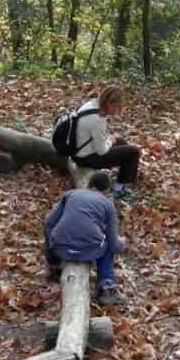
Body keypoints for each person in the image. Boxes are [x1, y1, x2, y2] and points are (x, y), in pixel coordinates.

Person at [44, 171, 125, 306]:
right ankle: (106, 286)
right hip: (88, 251)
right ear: (105, 190)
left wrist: (51, 250)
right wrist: (121, 243)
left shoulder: (71, 194)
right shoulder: (107, 204)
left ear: (88, 185)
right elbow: (113, 245)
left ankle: (54, 265)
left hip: (60, 249)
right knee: (107, 246)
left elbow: (48, 223)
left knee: (54, 232)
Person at [71, 86, 140, 200]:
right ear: (108, 104)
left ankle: (129, 171)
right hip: (86, 158)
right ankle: (118, 189)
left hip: (79, 149)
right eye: (117, 107)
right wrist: (110, 140)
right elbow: (101, 150)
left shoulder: (92, 105)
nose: (117, 111)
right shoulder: (97, 119)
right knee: (133, 152)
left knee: (120, 141)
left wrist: (110, 140)